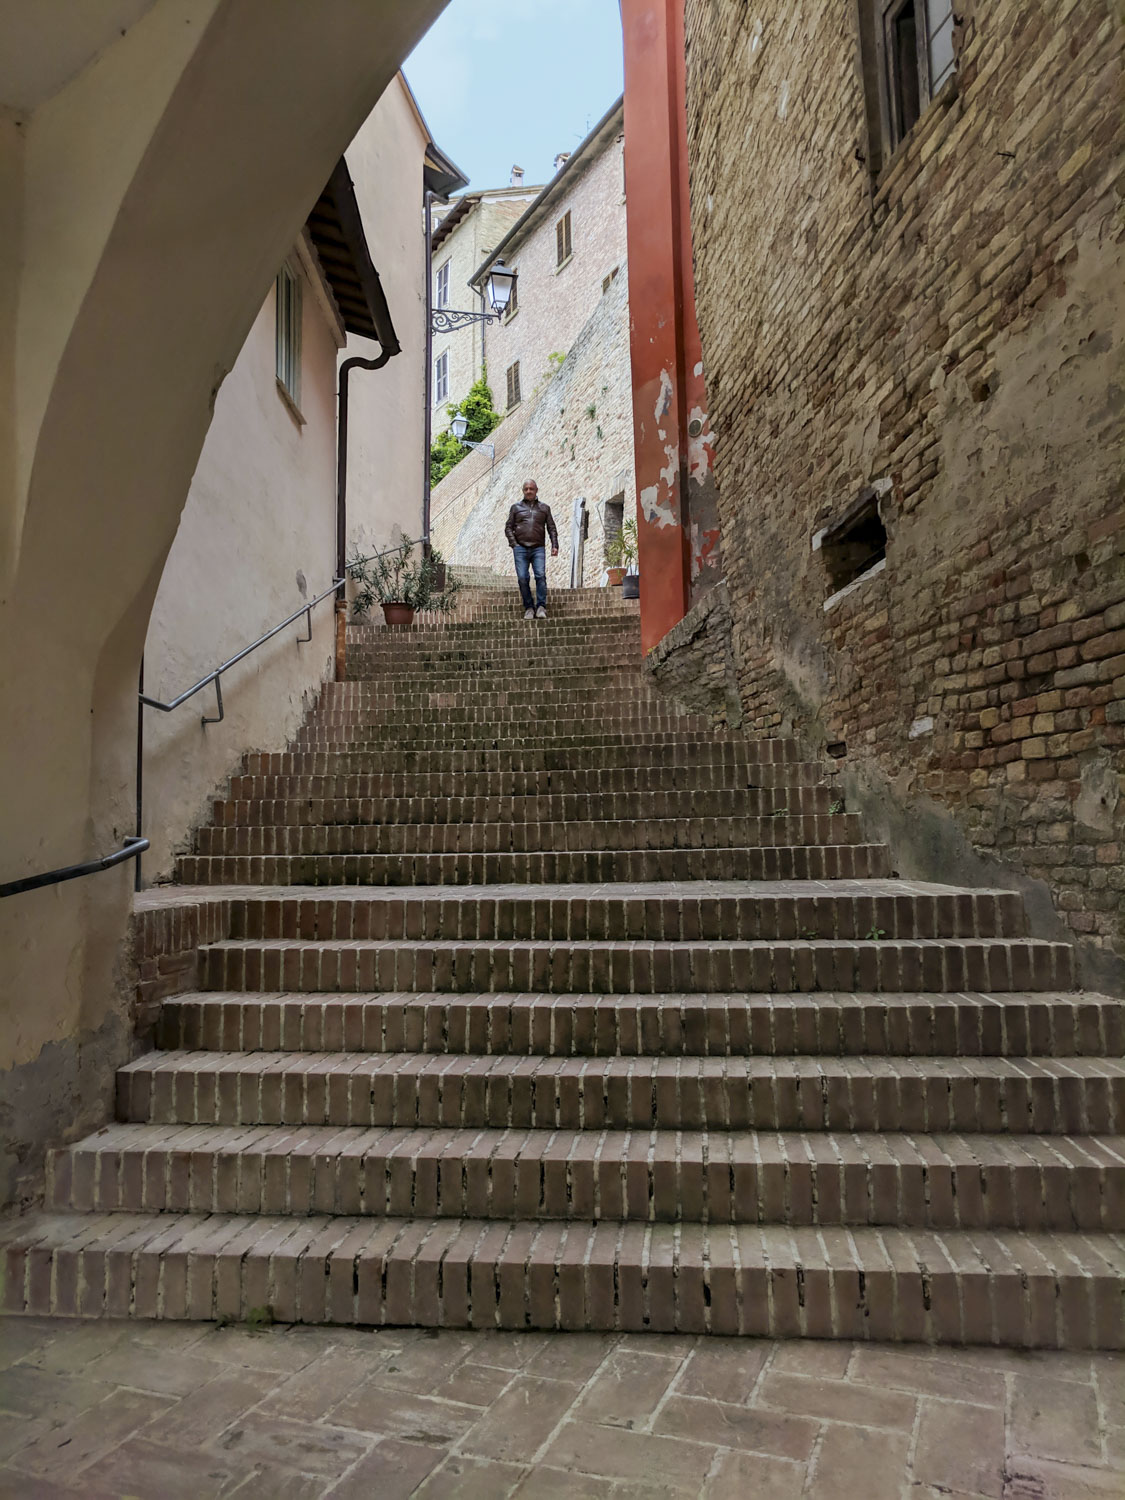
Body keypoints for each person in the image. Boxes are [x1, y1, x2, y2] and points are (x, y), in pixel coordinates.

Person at [504, 479, 559, 619]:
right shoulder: (515, 508)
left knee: (540, 576)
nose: (529, 491)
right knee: (523, 578)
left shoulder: (544, 508)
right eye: (526, 489)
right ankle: (529, 607)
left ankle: (541, 607)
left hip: (538, 548)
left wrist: (555, 545)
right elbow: (508, 527)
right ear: (523, 491)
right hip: (520, 548)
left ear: (536, 490)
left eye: (531, 489)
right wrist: (514, 544)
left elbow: (551, 528)